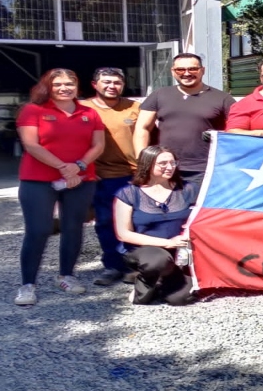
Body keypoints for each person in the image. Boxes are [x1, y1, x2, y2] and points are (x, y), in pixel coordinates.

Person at [14, 69, 105, 306]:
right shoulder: (33, 110)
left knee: (73, 228)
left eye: (70, 83)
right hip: (38, 180)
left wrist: (79, 166)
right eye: (58, 84)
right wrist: (64, 168)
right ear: (48, 87)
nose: (65, 88)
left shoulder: (89, 113)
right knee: (38, 230)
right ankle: (27, 285)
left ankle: (66, 276)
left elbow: (98, 145)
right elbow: (31, 145)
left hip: (80, 179)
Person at [114, 146, 199, 306]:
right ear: (148, 165)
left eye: (173, 163)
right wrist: (167, 243)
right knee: (157, 262)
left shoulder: (188, 189)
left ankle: (163, 278)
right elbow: (123, 234)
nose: (170, 167)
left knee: (180, 300)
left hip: (181, 251)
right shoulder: (128, 193)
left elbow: (201, 219)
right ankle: (146, 278)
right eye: (163, 163)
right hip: (145, 250)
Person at [134, 53, 234, 186]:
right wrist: (143, 160)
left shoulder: (223, 98)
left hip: (205, 169)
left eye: (193, 69)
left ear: (202, 70)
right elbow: (142, 128)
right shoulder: (159, 95)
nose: (186, 73)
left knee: (197, 207)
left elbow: (236, 131)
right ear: (173, 71)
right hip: (164, 167)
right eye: (180, 70)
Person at [80, 67, 139, 286]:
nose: (111, 86)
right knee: (105, 222)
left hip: (132, 175)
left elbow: (149, 138)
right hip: (99, 176)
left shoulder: (135, 108)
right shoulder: (82, 108)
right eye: (106, 82)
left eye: (116, 82)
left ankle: (134, 265)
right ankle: (113, 266)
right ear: (95, 84)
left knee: (135, 222)